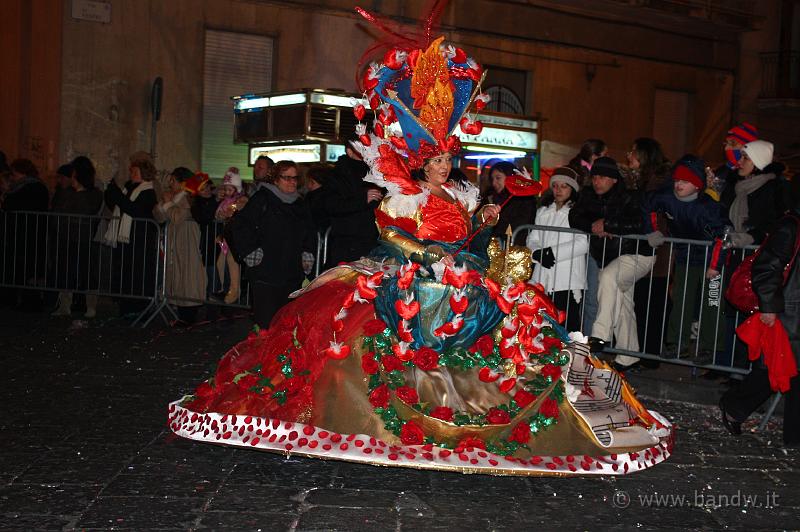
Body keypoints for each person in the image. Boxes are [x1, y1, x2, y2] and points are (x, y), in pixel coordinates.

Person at [167, 33, 673, 475]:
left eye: (449, 158)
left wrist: (484, 224)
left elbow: (470, 239)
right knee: (373, 323)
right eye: (437, 159)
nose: (444, 165)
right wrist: (428, 254)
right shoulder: (401, 196)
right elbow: (390, 233)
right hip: (412, 268)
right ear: (422, 163)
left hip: (461, 267)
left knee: (504, 316)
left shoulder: (462, 195)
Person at [720, 210, 800, 447]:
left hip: (790, 308)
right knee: (778, 370)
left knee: (787, 372)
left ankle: (793, 436)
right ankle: (735, 406)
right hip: (788, 309)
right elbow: (767, 266)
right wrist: (768, 305)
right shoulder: (791, 226)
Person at [569, 157, 655, 370]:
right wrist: (594, 225)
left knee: (607, 278)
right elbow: (574, 217)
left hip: (637, 254)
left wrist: (609, 225)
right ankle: (629, 355)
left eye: (603, 177)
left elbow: (640, 224)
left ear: (614, 180)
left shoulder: (630, 197)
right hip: (611, 257)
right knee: (623, 304)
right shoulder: (588, 197)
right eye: (595, 176)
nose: (598, 181)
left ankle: (600, 335)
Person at [642, 155, 731, 360]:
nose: (679, 184)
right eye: (676, 180)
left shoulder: (709, 207)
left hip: (712, 260)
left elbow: (724, 235)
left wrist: (715, 266)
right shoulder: (666, 197)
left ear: (698, 185)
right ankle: (676, 344)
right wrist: (652, 231)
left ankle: (710, 347)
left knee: (712, 302)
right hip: (685, 256)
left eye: (685, 180)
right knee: (681, 299)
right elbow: (647, 205)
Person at [228, 159, 314, 328]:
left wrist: (307, 253)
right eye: (286, 177)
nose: (291, 182)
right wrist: (250, 252)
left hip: (291, 273)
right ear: (275, 179)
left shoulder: (300, 204)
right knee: (266, 323)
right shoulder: (262, 199)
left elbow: (309, 232)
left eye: (294, 178)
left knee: (286, 324)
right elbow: (240, 226)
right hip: (265, 273)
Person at [526, 166, 587, 333]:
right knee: (542, 324)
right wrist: (537, 252)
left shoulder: (578, 213)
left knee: (568, 326)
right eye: (555, 186)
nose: (558, 190)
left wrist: (551, 253)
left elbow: (582, 242)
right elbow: (533, 238)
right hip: (543, 277)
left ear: (572, 189)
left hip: (566, 279)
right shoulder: (543, 212)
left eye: (564, 186)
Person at [103, 151, 159, 317]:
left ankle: (139, 308)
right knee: (125, 273)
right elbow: (117, 205)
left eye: (135, 172)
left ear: (143, 174)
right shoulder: (129, 188)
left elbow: (134, 209)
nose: (131, 174)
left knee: (138, 275)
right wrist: (110, 191)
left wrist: (118, 195)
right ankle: (126, 305)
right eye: (131, 171)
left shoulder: (148, 192)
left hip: (140, 240)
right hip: (126, 238)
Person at [51, 156, 104, 318]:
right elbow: (58, 210)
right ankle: (65, 305)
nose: (71, 177)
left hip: (84, 238)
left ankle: (91, 306)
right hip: (66, 237)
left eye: (74, 174)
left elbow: (85, 210)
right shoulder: (66, 192)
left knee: (87, 272)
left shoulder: (94, 194)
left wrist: (75, 199)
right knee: (65, 271)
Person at [154, 167, 208, 325]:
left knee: (187, 275)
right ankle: (180, 311)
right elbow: (158, 216)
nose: (170, 184)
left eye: (173, 180)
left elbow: (178, 216)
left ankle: (188, 314)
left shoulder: (188, 198)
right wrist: (164, 204)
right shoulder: (173, 197)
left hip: (187, 241)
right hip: (175, 241)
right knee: (177, 274)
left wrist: (168, 203)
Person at [323, 138, 383, 268]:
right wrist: (362, 199)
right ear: (349, 152)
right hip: (348, 242)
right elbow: (331, 205)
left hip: (373, 239)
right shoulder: (337, 175)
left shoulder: (376, 172)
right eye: (360, 148)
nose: (365, 151)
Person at [1, 158, 50, 310]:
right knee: (25, 268)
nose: (13, 178)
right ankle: (23, 299)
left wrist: (6, 195)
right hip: (26, 234)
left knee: (25, 268)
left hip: (27, 234)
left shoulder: (29, 188)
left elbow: (11, 205)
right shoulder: (34, 187)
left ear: (22, 173)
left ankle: (27, 300)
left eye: (14, 174)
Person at [213, 167, 248, 304]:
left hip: (234, 238)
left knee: (233, 265)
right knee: (220, 262)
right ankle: (224, 288)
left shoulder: (241, 200)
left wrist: (232, 211)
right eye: (225, 189)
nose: (227, 192)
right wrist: (220, 214)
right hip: (225, 238)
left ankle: (234, 291)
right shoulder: (225, 201)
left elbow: (239, 210)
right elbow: (218, 214)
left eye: (230, 189)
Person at [481, 161, 536, 245]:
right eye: (492, 179)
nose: (494, 183)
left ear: (510, 177)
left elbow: (521, 225)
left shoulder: (524, 199)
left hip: (514, 247)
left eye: (498, 178)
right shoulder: (490, 198)